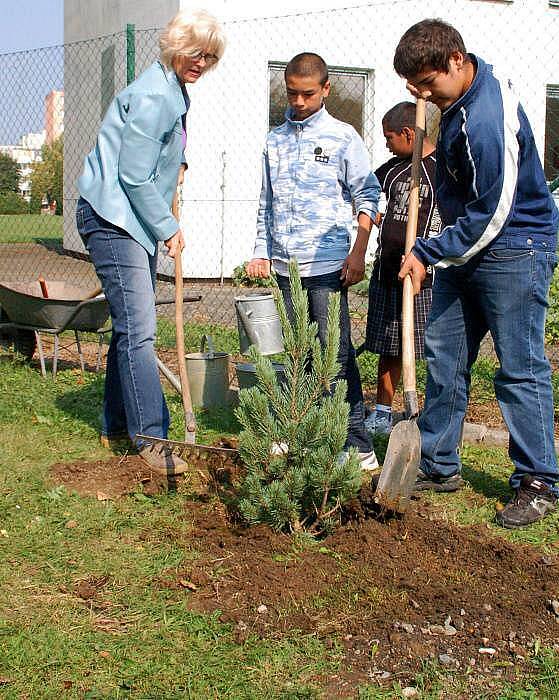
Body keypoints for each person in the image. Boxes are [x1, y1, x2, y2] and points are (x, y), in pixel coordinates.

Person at [394, 19, 559, 527]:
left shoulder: (488, 117)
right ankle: (439, 462)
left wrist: (428, 251)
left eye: (427, 84)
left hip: (514, 247)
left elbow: (493, 212)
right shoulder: (453, 103)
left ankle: (538, 482)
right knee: (444, 357)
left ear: (456, 62)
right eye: (413, 87)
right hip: (465, 251)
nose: (421, 95)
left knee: (519, 367)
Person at [76, 10, 225, 475]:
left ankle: (116, 425)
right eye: (197, 52)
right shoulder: (156, 94)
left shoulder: (174, 90)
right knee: (140, 331)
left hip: (130, 218)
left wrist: (178, 165)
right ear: (177, 46)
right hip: (114, 218)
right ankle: (153, 439)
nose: (202, 62)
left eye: (211, 57)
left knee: (128, 329)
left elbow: (152, 157)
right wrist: (169, 228)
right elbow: (133, 175)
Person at [246, 52, 381, 471]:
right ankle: (294, 432)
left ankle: (358, 445)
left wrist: (358, 252)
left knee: (335, 354)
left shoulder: (344, 137)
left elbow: (368, 195)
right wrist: (260, 250)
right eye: (292, 93)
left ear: (325, 90)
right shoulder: (274, 139)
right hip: (286, 267)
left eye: (308, 94)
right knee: (296, 353)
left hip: (328, 266)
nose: (299, 102)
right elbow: (265, 202)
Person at [363, 101, 440, 436]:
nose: (387, 144)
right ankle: (382, 411)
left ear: (409, 133)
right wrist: (373, 214)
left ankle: (429, 414)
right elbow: (364, 193)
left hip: (425, 276)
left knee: (430, 347)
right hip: (387, 271)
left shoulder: (442, 170)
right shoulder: (393, 170)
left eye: (390, 138)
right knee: (388, 345)